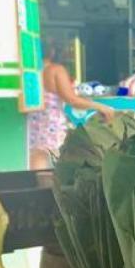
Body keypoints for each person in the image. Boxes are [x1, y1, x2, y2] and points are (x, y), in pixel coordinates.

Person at [27, 39, 116, 170]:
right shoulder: (56, 70)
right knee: (61, 162)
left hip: (33, 122)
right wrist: (100, 107)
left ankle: (40, 188)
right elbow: (72, 100)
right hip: (51, 123)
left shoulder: (30, 72)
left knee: (38, 161)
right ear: (51, 52)